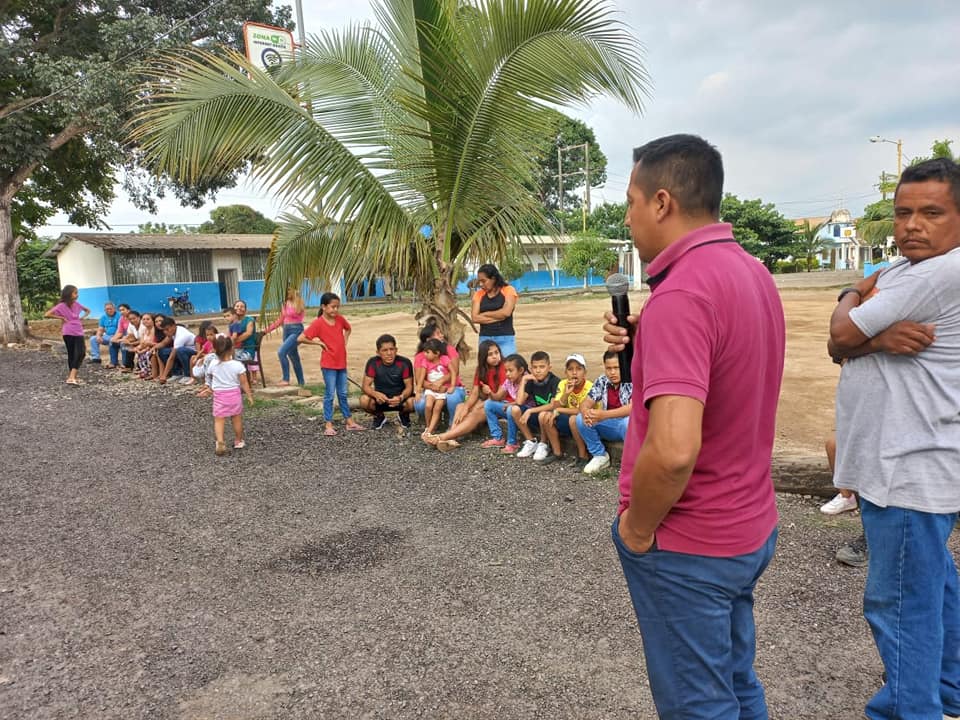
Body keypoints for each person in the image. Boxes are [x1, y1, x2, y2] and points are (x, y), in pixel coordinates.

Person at [603, 134, 786, 720]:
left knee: (699, 704)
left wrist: (637, 529)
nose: (627, 218)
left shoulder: (681, 294)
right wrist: (646, 345)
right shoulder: (751, 271)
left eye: (630, 202)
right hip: (747, 523)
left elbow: (675, 449)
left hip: (690, 542)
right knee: (735, 682)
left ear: (661, 203)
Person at [827, 158, 960, 720]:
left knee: (900, 602)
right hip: (903, 461)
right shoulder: (904, 270)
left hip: (908, 464)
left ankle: (910, 710)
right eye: (903, 212)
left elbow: (838, 334)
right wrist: (876, 337)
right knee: (933, 586)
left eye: (932, 212)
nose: (912, 225)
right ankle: (947, 692)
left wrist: (853, 299)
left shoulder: (938, 273)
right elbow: (839, 346)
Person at [299, 292, 365, 436]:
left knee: (343, 393)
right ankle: (328, 424)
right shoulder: (318, 323)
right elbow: (301, 338)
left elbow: (348, 328)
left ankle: (349, 421)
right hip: (328, 364)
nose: (335, 310)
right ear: (323, 307)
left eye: (337, 307)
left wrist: (345, 340)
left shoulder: (340, 319)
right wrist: (318, 343)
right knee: (329, 394)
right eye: (333, 307)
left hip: (341, 363)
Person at [424, 339, 504, 452]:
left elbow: (501, 396)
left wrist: (479, 405)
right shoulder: (481, 369)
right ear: (483, 357)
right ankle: (452, 439)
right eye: (490, 354)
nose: (495, 356)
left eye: (496, 352)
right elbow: (475, 392)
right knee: (460, 407)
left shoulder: (503, 368)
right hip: (487, 400)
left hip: (499, 403)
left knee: (476, 413)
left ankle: (443, 437)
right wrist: (466, 408)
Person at [573, 350, 632, 474]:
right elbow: (586, 402)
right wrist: (586, 412)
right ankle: (600, 455)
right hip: (610, 424)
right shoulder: (602, 380)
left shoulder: (632, 379)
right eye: (608, 368)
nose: (612, 372)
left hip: (627, 425)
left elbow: (633, 408)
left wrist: (604, 415)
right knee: (579, 418)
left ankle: (632, 461)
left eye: (616, 368)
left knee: (628, 423)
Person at [195, 335, 255, 456]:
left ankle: (220, 442)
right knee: (236, 418)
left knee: (219, 420)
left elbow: (211, 377)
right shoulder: (237, 365)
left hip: (219, 396)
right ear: (231, 348)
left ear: (215, 350)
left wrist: (210, 389)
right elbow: (244, 382)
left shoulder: (213, 364)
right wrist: (249, 395)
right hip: (234, 395)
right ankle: (238, 441)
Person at [540, 353, 592, 466]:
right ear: (565, 372)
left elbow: (581, 410)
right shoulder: (563, 384)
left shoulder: (589, 387)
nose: (574, 373)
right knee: (545, 416)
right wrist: (566, 394)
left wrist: (560, 411)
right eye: (570, 369)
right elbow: (555, 406)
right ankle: (557, 453)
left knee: (574, 419)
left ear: (585, 372)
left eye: (578, 369)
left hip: (584, 422)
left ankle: (583, 456)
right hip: (567, 421)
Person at [509, 351, 560, 460]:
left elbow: (553, 405)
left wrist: (530, 411)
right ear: (531, 369)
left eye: (542, 367)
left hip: (549, 418)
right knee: (514, 409)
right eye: (535, 367)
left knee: (542, 414)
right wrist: (524, 380)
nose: (538, 370)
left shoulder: (555, 381)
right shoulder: (531, 381)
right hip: (536, 415)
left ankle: (543, 444)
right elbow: (519, 401)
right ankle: (531, 441)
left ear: (549, 367)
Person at [413, 321, 466, 423]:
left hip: (452, 387)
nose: (442, 335)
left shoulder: (449, 349)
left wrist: (441, 382)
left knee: (453, 397)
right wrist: (433, 386)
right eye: (438, 334)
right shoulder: (420, 357)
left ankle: (452, 423)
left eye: (441, 332)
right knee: (420, 404)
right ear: (429, 340)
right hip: (431, 390)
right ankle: (431, 423)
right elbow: (419, 380)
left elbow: (455, 372)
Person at [359, 334, 415, 430]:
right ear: (378, 352)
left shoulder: (404, 363)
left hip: (399, 400)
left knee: (413, 402)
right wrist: (376, 394)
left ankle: (403, 414)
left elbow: (409, 387)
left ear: (396, 350)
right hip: (380, 400)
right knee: (364, 400)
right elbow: (365, 386)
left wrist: (401, 397)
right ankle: (379, 416)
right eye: (385, 350)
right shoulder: (373, 363)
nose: (389, 353)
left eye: (391, 349)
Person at [44, 285, 90, 385]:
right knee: (72, 353)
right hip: (68, 332)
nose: (77, 295)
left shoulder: (76, 304)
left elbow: (88, 310)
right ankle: (72, 377)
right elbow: (47, 314)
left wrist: (82, 318)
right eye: (75, 293)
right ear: (69, 294)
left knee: (81, 352)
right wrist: (61, 317)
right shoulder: (61, 305)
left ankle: (72, 376)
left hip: (78, 331)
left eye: (77, 293)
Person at [471, 263, 519, 357]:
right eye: (479, 282)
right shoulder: (478, 294)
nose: (481, 284)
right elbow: (475, 318)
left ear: (493, 279)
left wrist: (485, 314)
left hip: (505, 338)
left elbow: (506, 312)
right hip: (485, 339)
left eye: (483, 281)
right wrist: (499, 317)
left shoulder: (508, 290)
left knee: (508, 364)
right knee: (486, 366)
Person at [481, 353, 527, 451]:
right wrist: (489, 392)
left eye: (511, 370)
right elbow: (497, 397)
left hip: (526, 412)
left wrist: (509, 404)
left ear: (521, 370)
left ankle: (512, 443)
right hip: (514, 409)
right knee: (489, 404)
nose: (507, 374)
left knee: (511, 409)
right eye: (506, 371)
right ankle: (498, 438)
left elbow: (521, 402)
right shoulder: (509, 381)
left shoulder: (527, 381)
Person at [265, 287, 306, 386]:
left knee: (281, 352)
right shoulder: (284, 303)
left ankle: (286, 379)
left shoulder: (299, 302)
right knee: (294, 357)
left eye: (288, 290)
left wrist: (296, 296)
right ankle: (301, 383)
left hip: (296, 330)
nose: (286, 293)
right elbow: (280, 320)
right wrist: (266, 331)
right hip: (286, 331)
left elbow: (299, 313)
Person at [418, 338, 451, 436]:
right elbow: (421, 377)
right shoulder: (425, 361)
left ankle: (430, 430)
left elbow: (452, 373)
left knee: (437, 408)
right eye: (425, 352)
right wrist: (419, 390)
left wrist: (451, 386)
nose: (425, 354)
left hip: (442, 390)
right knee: (428, 406)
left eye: (427, 352)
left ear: (437, 353)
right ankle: (428, 426)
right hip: (430, 389)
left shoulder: (444, 359)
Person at [155, 317, 196, 384]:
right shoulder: (173, 331)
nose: (165, 332)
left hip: (193, 352)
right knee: (162, 352)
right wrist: (152, 348)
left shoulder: (181, 335)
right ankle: (177, 373)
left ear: (173, 326)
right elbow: (164, 343)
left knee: (180, 350)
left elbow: (172, 357)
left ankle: (187, 375)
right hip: (183, 351)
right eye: (164, 330)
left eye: (167, 329)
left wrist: (164, 376)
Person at [89, 301, 120, 366]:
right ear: (105, 310)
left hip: (118, 336)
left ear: (114, 309)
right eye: (107, 309)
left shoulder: (119, 315)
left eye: (110, 309)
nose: (109, 310)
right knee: (93, 339)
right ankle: (96, 358)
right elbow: (101, 328)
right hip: (107, 336)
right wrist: (98, 336)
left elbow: (120, 329)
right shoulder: (103, 317)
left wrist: (115, 337)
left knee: (112, 341)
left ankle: (113, 362)